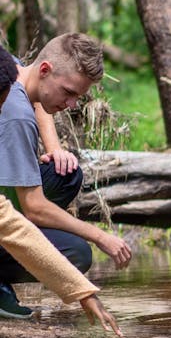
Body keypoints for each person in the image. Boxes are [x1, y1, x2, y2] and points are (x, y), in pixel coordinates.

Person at [0, 33, 131, 319]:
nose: (72, 105)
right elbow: (27, 212)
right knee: (77, 252)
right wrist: (99, 237)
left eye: (78, 97)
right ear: (45, 70)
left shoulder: (11, 67)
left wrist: (54, 148)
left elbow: (33, 95)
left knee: (65, 175)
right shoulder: (17, 116)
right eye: (68, 93)